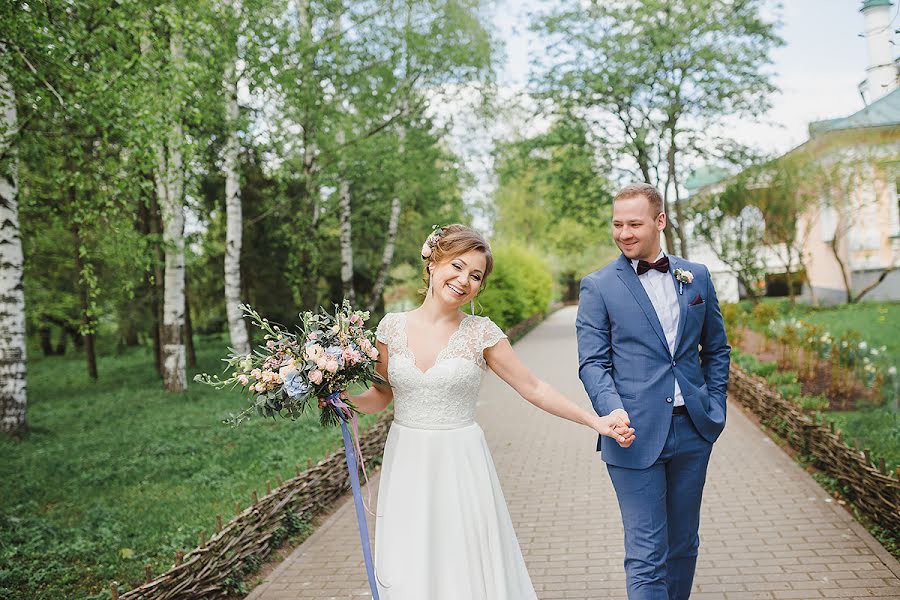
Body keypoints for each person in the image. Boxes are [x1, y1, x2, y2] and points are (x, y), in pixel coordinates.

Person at [348, 223, 634, 599]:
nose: (464, 280)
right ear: (433, 262)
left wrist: (596, 421)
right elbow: (381, 395)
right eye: (457, 266)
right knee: (410, 559)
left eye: (476, 275)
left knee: (463, 560)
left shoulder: (481, 333)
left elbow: (534, 387)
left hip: (460, 462)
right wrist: (341, 400)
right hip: (407, 460)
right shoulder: (390, 327)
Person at [576, 183, 731, 600]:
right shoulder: (598, 286)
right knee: (647, 554)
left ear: (659, 221)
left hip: (694, 430)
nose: (623, 233)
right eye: (617, 224)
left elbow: (716, 348)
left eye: (634, 224)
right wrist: (612, 411)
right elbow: (593, 363)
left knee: (683, 546)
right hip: (633, 434)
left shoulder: (695, 275)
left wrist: (715, 405)